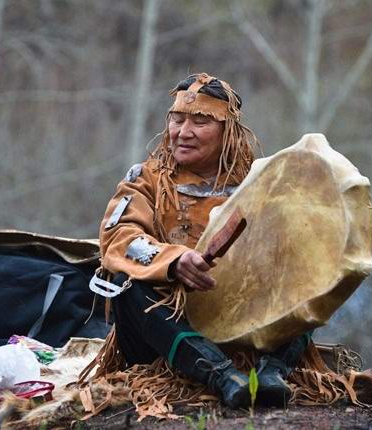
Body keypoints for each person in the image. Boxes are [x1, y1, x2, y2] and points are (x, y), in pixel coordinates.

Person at [95, 73, 310, 408]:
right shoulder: (147, 179)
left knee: (313, 271)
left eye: (200, 121)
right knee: (125, 283)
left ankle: (272, 371)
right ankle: (220, 374)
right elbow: (118, 237)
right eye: (177, 120)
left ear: (228, 131)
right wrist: (174, 261)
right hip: (164, 330)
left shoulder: (258, 185)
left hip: (245, 329)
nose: (184, 132)